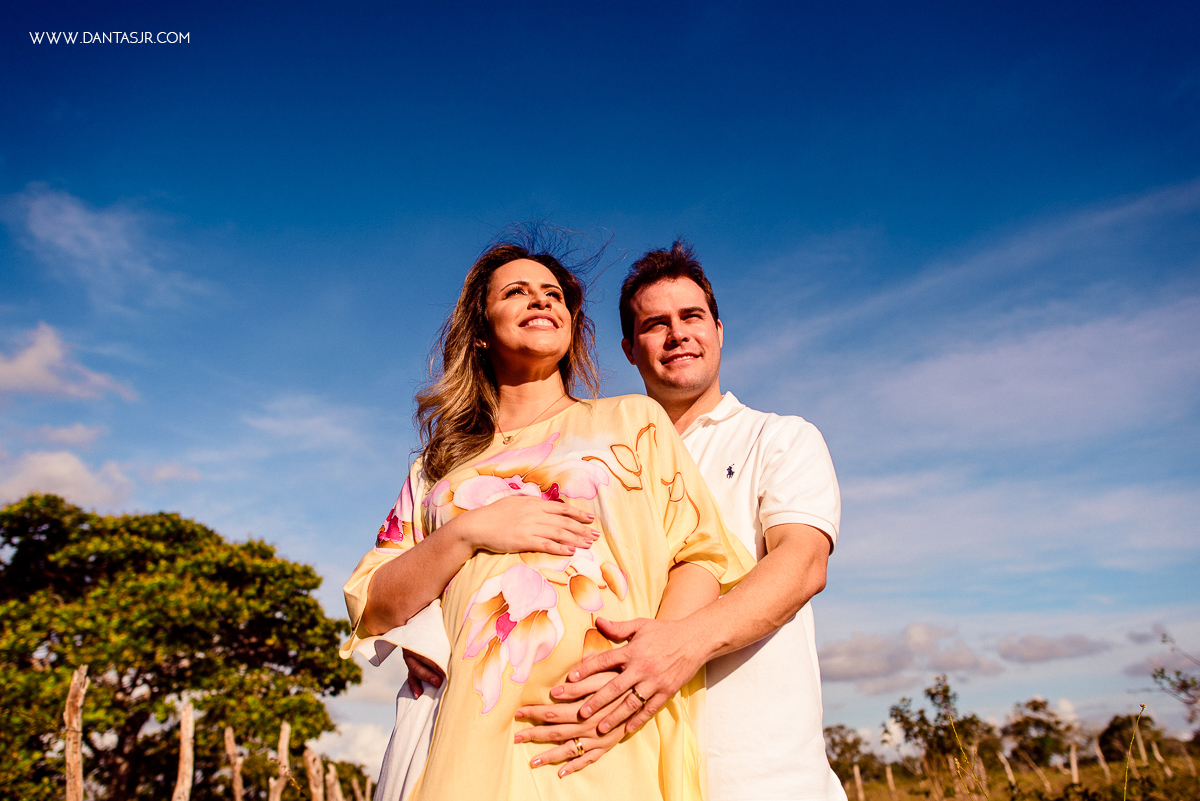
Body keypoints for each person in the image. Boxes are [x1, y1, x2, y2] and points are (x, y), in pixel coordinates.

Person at [339, 236, 753, 801]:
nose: (541, 302)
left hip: (601, 723)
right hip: (468, 731)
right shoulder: (438, 467)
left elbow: (700, 554)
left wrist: (641, 672)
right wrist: (467, 532)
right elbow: (375, 604)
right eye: (516, 292)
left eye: (554, 294)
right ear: (480, 329)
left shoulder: (634, 421)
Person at [515, 241, 845, 801]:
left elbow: (803, 563)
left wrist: (677, 647)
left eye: (692, 317)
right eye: (655, 324)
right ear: (630, 349)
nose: (677, 334)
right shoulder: (598, 463)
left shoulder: (780, 437)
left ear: (718, 329)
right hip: (632, 772)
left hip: (762, 777)